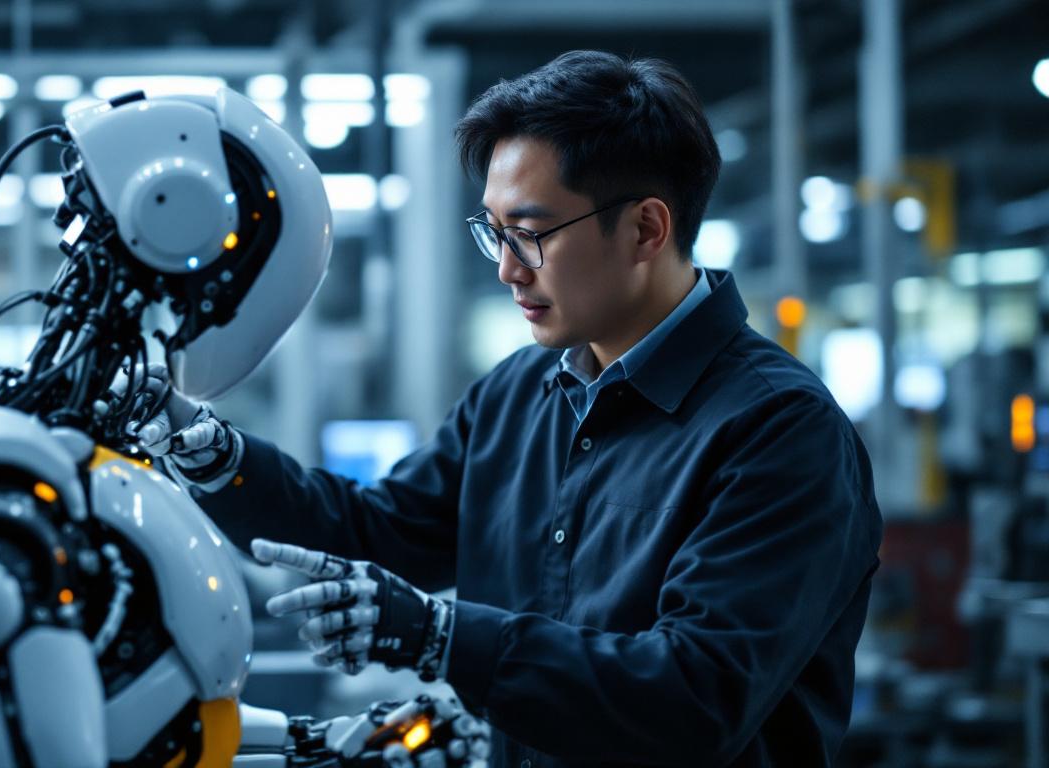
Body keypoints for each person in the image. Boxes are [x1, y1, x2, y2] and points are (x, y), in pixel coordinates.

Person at [145, 50, 882, 767]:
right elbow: (377, 531)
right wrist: (200, 443)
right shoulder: (515, 396)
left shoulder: (779, 432)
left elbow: (696, 694)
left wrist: (440, 636)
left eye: (528, 235)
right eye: (493, 234)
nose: (504, 268)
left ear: (644, 230)